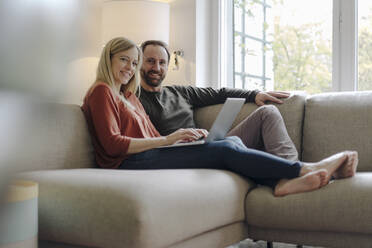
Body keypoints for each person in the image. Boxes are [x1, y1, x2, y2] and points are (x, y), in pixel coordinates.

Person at [81, 37, 358, 197]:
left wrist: (177, 142)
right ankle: (302, 170)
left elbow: (215, 93)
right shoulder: (102, 92)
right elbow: (113, 144)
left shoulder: (126, 96)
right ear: (109, 59)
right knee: (226, 147)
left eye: (133, 61)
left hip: (155, 153)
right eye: (124, 61)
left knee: (232, 143)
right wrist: (169, 140)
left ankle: (284, 180)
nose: (131, 67)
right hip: (130, 163)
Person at [138, 40, 298, 161]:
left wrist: (254, 95)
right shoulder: (133, 100)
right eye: (150, 61)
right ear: (139, 63)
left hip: (208, 145)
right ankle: (292, 173)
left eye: (162, 62)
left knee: (267, 112)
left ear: (167, 66)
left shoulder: (181, 92)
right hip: (181, 155)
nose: (157, 68)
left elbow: (219, 93)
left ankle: (291, 168)